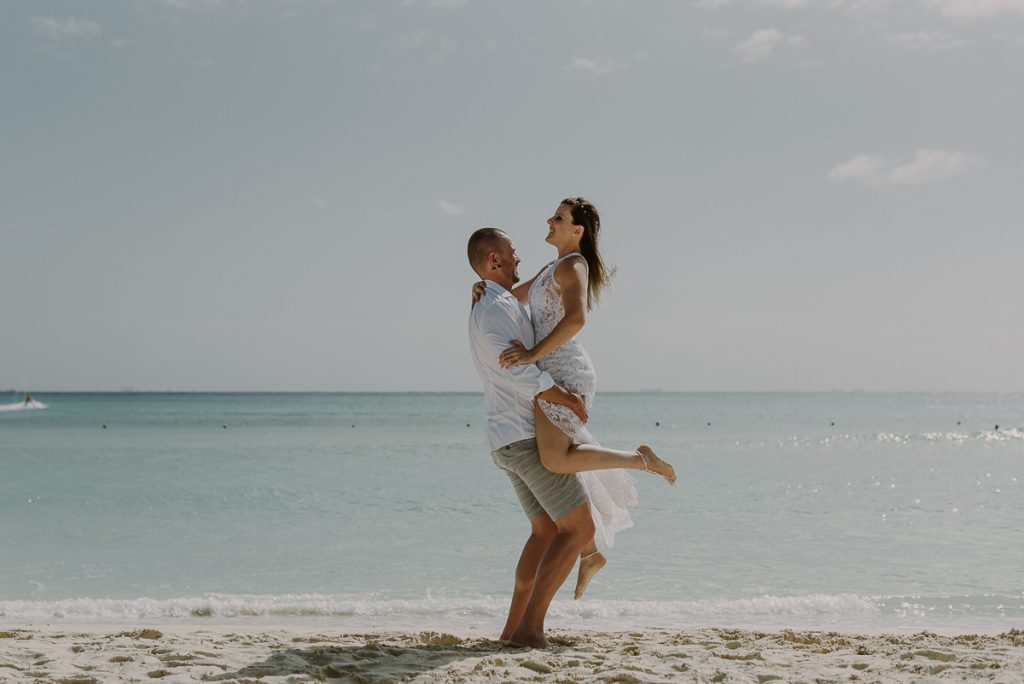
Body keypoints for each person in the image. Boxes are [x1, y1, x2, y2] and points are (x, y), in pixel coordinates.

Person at [473, 198, 676, 599]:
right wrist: (482, 286)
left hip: (565, 370)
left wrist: (531, 355)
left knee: (555, 459)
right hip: (550, 371)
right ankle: (590, 552)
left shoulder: (573, 265)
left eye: (559, 218)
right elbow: (511, 295)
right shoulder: (552, 267)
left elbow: (577, 318)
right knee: (562, 461)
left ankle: (641, 462)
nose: (549, 221)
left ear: (577, 230)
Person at [467, 226, 597, 649]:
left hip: (508, 438)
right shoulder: (494, 310)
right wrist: (566, 396)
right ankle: (530, 631)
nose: (517, 257)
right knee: (577, 530)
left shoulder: (496, 300)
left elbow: (539, 284)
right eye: (511, 252)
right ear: (493, 261)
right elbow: (517, 369)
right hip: (523, 438)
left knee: (544, 533)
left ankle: (511, 632)